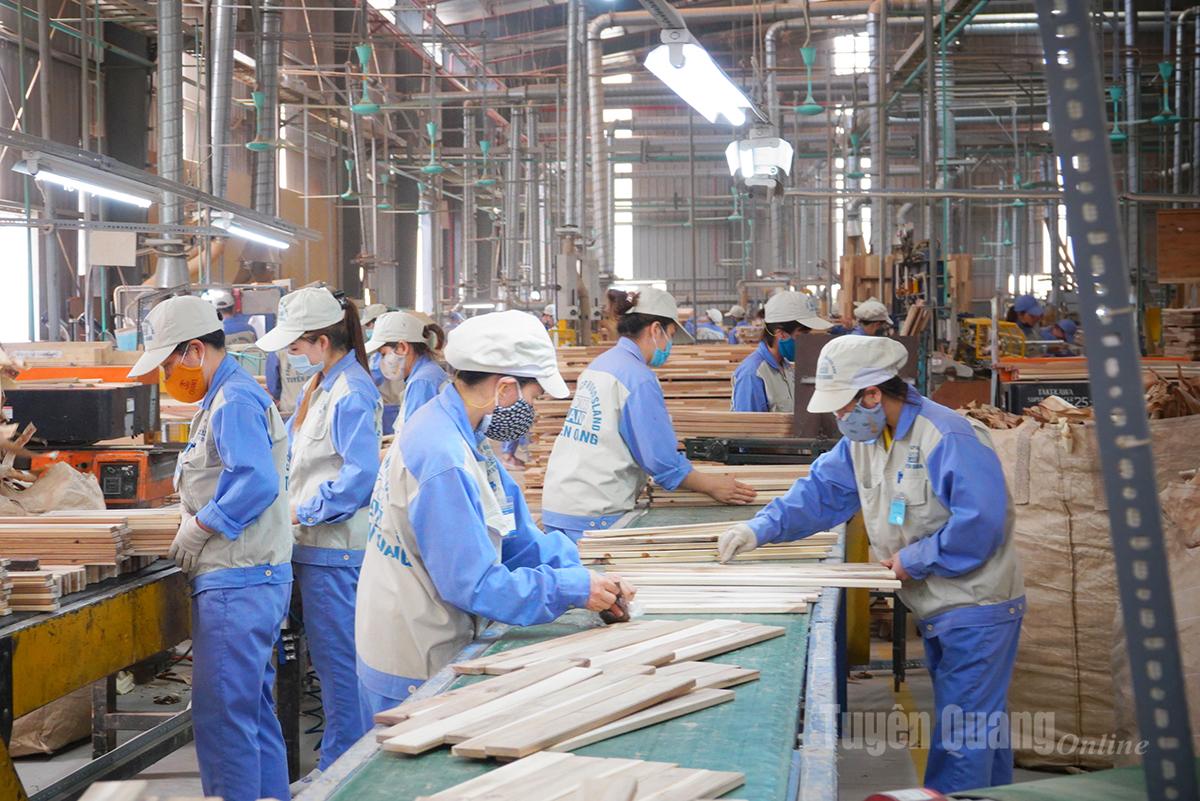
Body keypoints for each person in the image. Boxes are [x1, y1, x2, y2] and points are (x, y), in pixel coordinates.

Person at [718, 335, 1024, 794]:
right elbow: (819, 494)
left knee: (963, 740)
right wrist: (758, 528)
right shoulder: (864, 440)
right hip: (939, 607)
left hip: (978, 608)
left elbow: (983, 525)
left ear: (873, 395)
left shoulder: (948, 437)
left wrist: (914, 558)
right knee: (980, 729)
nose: (839, 418)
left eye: (843, 407)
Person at [355, 310, 631, 714]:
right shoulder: (443, 456)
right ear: (504, 389)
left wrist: (586, 577)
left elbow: (515, 534)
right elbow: (475, 584)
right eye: (533, 398)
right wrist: (568, 589)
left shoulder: (467, 435)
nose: (531, 412)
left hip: (433, 632)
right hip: (415, 658)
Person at [127, 296, 292, 801]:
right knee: (250, 714)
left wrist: (201, 526)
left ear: (194, 351)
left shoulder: (234, 401)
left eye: (169, 362)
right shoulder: (226, 398)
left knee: (223, 720)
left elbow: (256, 480)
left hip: (237, 582)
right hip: (252, 579)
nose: (166, 376)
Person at [254, 287, 382, 788]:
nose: (295, 356)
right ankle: (338, 759)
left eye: (299, 346)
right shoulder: (324, 386)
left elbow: (359, 475)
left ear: (321, 340)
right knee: (330, 665)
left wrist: (301, 510)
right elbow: (294, 451)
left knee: (340, 667)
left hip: (335, 549)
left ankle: (343, 772)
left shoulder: (351, 392)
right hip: (313, 546)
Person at [540, 289, 757, 541]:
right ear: (656, 330)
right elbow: (660, 462)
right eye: (671, 336)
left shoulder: (601, 364)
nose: (670, 346)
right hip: (594, 511)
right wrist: (714, 485)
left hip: (561, 504)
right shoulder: (638, 377)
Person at [731, 291, 831, 413]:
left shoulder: (786, 367)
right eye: (803, 335)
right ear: (781, 334)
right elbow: (749, 429)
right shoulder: (753, 374)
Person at [364, 311, 448, 434]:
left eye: (383, 354)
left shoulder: (421, 382)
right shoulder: (429, 372)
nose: (381, 361)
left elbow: (416, 437)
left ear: (402, 347)